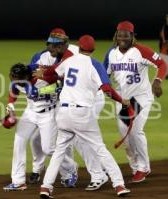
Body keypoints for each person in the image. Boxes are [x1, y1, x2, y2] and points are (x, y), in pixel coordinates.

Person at [39, 35, 131, 199]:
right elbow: (107, 89)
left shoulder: (68, 61)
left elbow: (50, 74)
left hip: (63, 114)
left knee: (59, 151)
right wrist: (121, 100)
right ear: (93, 49)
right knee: (100, 149)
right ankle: (119, 185)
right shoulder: (94, 64)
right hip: (82, 114)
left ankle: (46, 188)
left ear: (78, 47)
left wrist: (42, 74)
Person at [32, 28, 109, 191]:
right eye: (49, 45)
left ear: (63, 45)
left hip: (93, 97)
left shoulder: (71, 54)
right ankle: (98, 169)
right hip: (77, 98)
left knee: (81, 138)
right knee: (75, 136)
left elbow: (95, 67)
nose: (51, 48)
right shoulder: (60, 54)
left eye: (55, 45)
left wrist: (44, 76)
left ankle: (98, 174)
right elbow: (58, 80)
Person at [104, 21, 168, 183]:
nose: (122, 37)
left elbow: (161, 63)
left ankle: (143, 167)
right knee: (125, 137)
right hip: (122, 99)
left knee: (135, 130)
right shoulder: (111, 53)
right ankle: (134, 165)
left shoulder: (141, 51)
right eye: (120, 34)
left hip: (141, 97)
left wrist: (158, 81)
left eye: (126, 34)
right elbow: (104, 75)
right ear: (116, 36)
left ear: (132, 36)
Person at [2, 63, 78, 191]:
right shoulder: (17, 81)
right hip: (30, 112)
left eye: (17, 79)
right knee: (19, 141)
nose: (15, 81)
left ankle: (70, 167)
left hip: (49, 113)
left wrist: (41, 91)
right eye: (13, 78)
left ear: (26, 76)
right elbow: (13, 93)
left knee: (48, 149)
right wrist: (10, 108)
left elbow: (61, 84)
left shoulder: (42, 75)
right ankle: (18, 181)